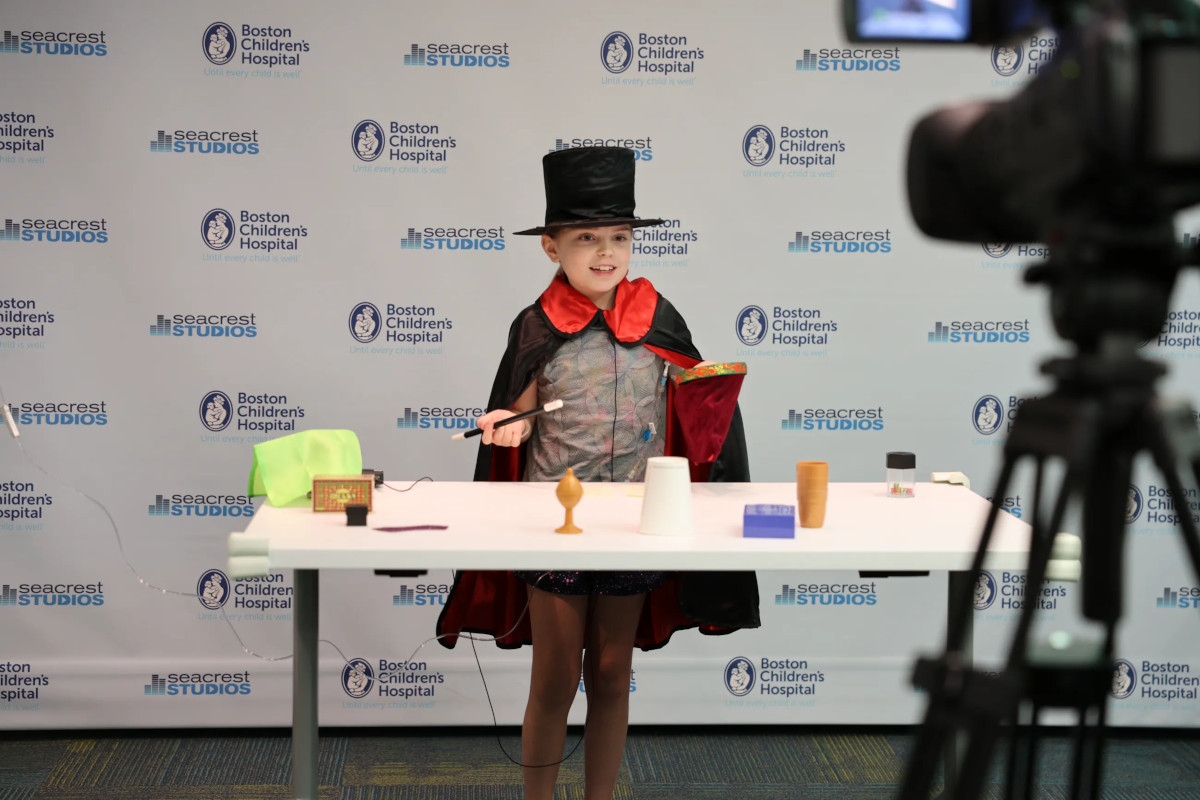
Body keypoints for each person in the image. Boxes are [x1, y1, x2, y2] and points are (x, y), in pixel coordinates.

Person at [435, 147, 759, 800]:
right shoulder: (535, 326)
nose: (606, 252)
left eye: (619, 237)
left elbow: (694, 407)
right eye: (587, 239)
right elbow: (521, 418)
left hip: (634, 522)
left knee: (612, 672)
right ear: (552, 247)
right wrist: (512, 426)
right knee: (555, 675)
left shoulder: (659, 319)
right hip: (556, 526)